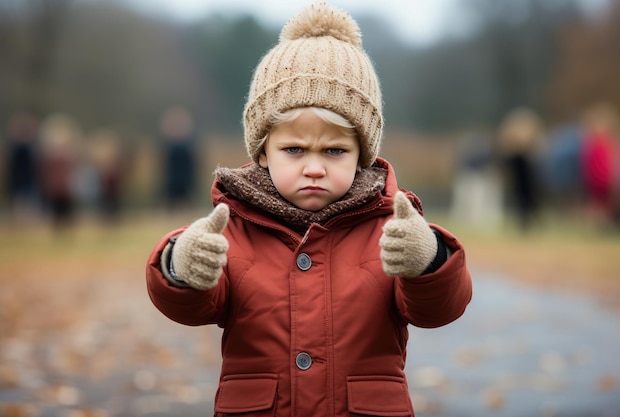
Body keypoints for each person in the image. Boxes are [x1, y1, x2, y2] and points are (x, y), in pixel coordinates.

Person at [146, 3, 472, 416]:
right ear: (263, 152)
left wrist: (429, 261)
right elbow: (190, 308)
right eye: (294, 149)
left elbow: (439, 309)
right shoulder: (234, 229)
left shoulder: (391, 229)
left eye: (335, 150)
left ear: (363, 155)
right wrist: (181, 266)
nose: (314, 168)